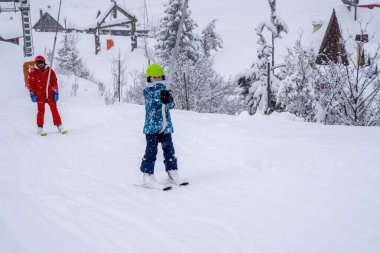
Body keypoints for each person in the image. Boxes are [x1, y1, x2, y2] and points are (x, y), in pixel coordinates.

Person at [140, 64, 186, 187]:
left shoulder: (166, 90)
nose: (157, 80)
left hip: (166, 127)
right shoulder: (148, 91)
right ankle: (148, 176)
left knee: (169, 150)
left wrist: (168, 98)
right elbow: (153, 98)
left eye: (159, 77)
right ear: (149, 79)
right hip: (152, 127)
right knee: (151, 151)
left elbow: (172, 106)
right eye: (154, 78)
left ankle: (172, 172)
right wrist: (161, 95)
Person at [28, 55, 66, 135]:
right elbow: (31, 84)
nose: (40, 64)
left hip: (50, 94)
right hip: (39, 95)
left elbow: (54, 82)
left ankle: (60, 126)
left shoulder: (49, 71)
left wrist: (56, 92)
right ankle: (40, 128)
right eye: (39, 62)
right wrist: (32, 94)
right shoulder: (33, 72)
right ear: (36, 63)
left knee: (54, 110)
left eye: (42, 62)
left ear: (44, 62)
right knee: (40, 112)